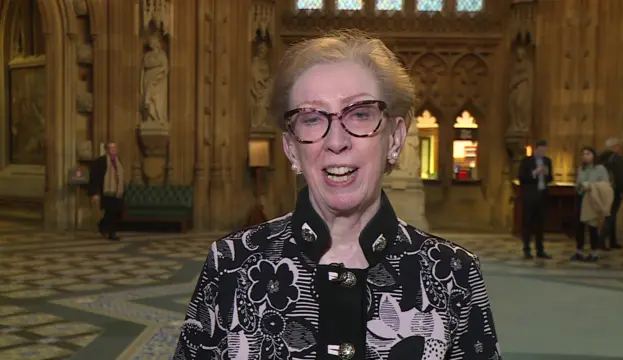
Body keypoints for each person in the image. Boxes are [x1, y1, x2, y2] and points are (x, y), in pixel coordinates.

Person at [173, 30, 501, 360]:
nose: (336, 141)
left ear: (396, 138)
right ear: (291, 148)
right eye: (312, 119)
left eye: (359, 114)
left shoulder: (452, 272)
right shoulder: (232, 263)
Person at [570, 147, 610, 261]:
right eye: (583, 154)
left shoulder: (600, 169)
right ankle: (579, 251)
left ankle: (594, 252)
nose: (585, 156)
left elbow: (605, 185)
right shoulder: (581, 169)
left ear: (593, 155)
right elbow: (577, 183)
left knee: (593, 227)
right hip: (582, 198)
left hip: (594, 199)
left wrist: (592, 186)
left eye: (588, 154)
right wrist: (580, 186)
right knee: (580, 226)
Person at [517, 139, 553, 259]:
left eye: (545, 150)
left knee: (540, 224)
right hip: (530, 196)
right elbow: (521, 177)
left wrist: (547, 174)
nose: (543, 152)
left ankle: (540, 249)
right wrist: (534, 172)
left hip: (542, 196)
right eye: (541, 149)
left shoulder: (547, 161)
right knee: (528, 223)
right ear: (536, 149)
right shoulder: (526, 161)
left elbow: (551, 178)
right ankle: (527, 249)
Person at [88, 142, 124, 241]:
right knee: (110, 211)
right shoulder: (101, 161)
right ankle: (112, 233)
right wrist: (95, 192)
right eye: (111, 148)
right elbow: (95, 177)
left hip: (117, 191)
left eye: (114, 148)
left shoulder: (118, 161)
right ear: (107, 150)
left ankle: (103, 226)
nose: (113, 150)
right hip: (106, 190)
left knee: (116, 212)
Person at [598, 138, 623, 250]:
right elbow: (621, 176)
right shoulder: (616, 158)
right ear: (615, 147)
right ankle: (601, 241)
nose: (620, 148)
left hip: (603, 190)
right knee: (611, 216)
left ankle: (612, 241)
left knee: (611, 215)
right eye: (619, 146)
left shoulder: (600, 158)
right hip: (615, 190)